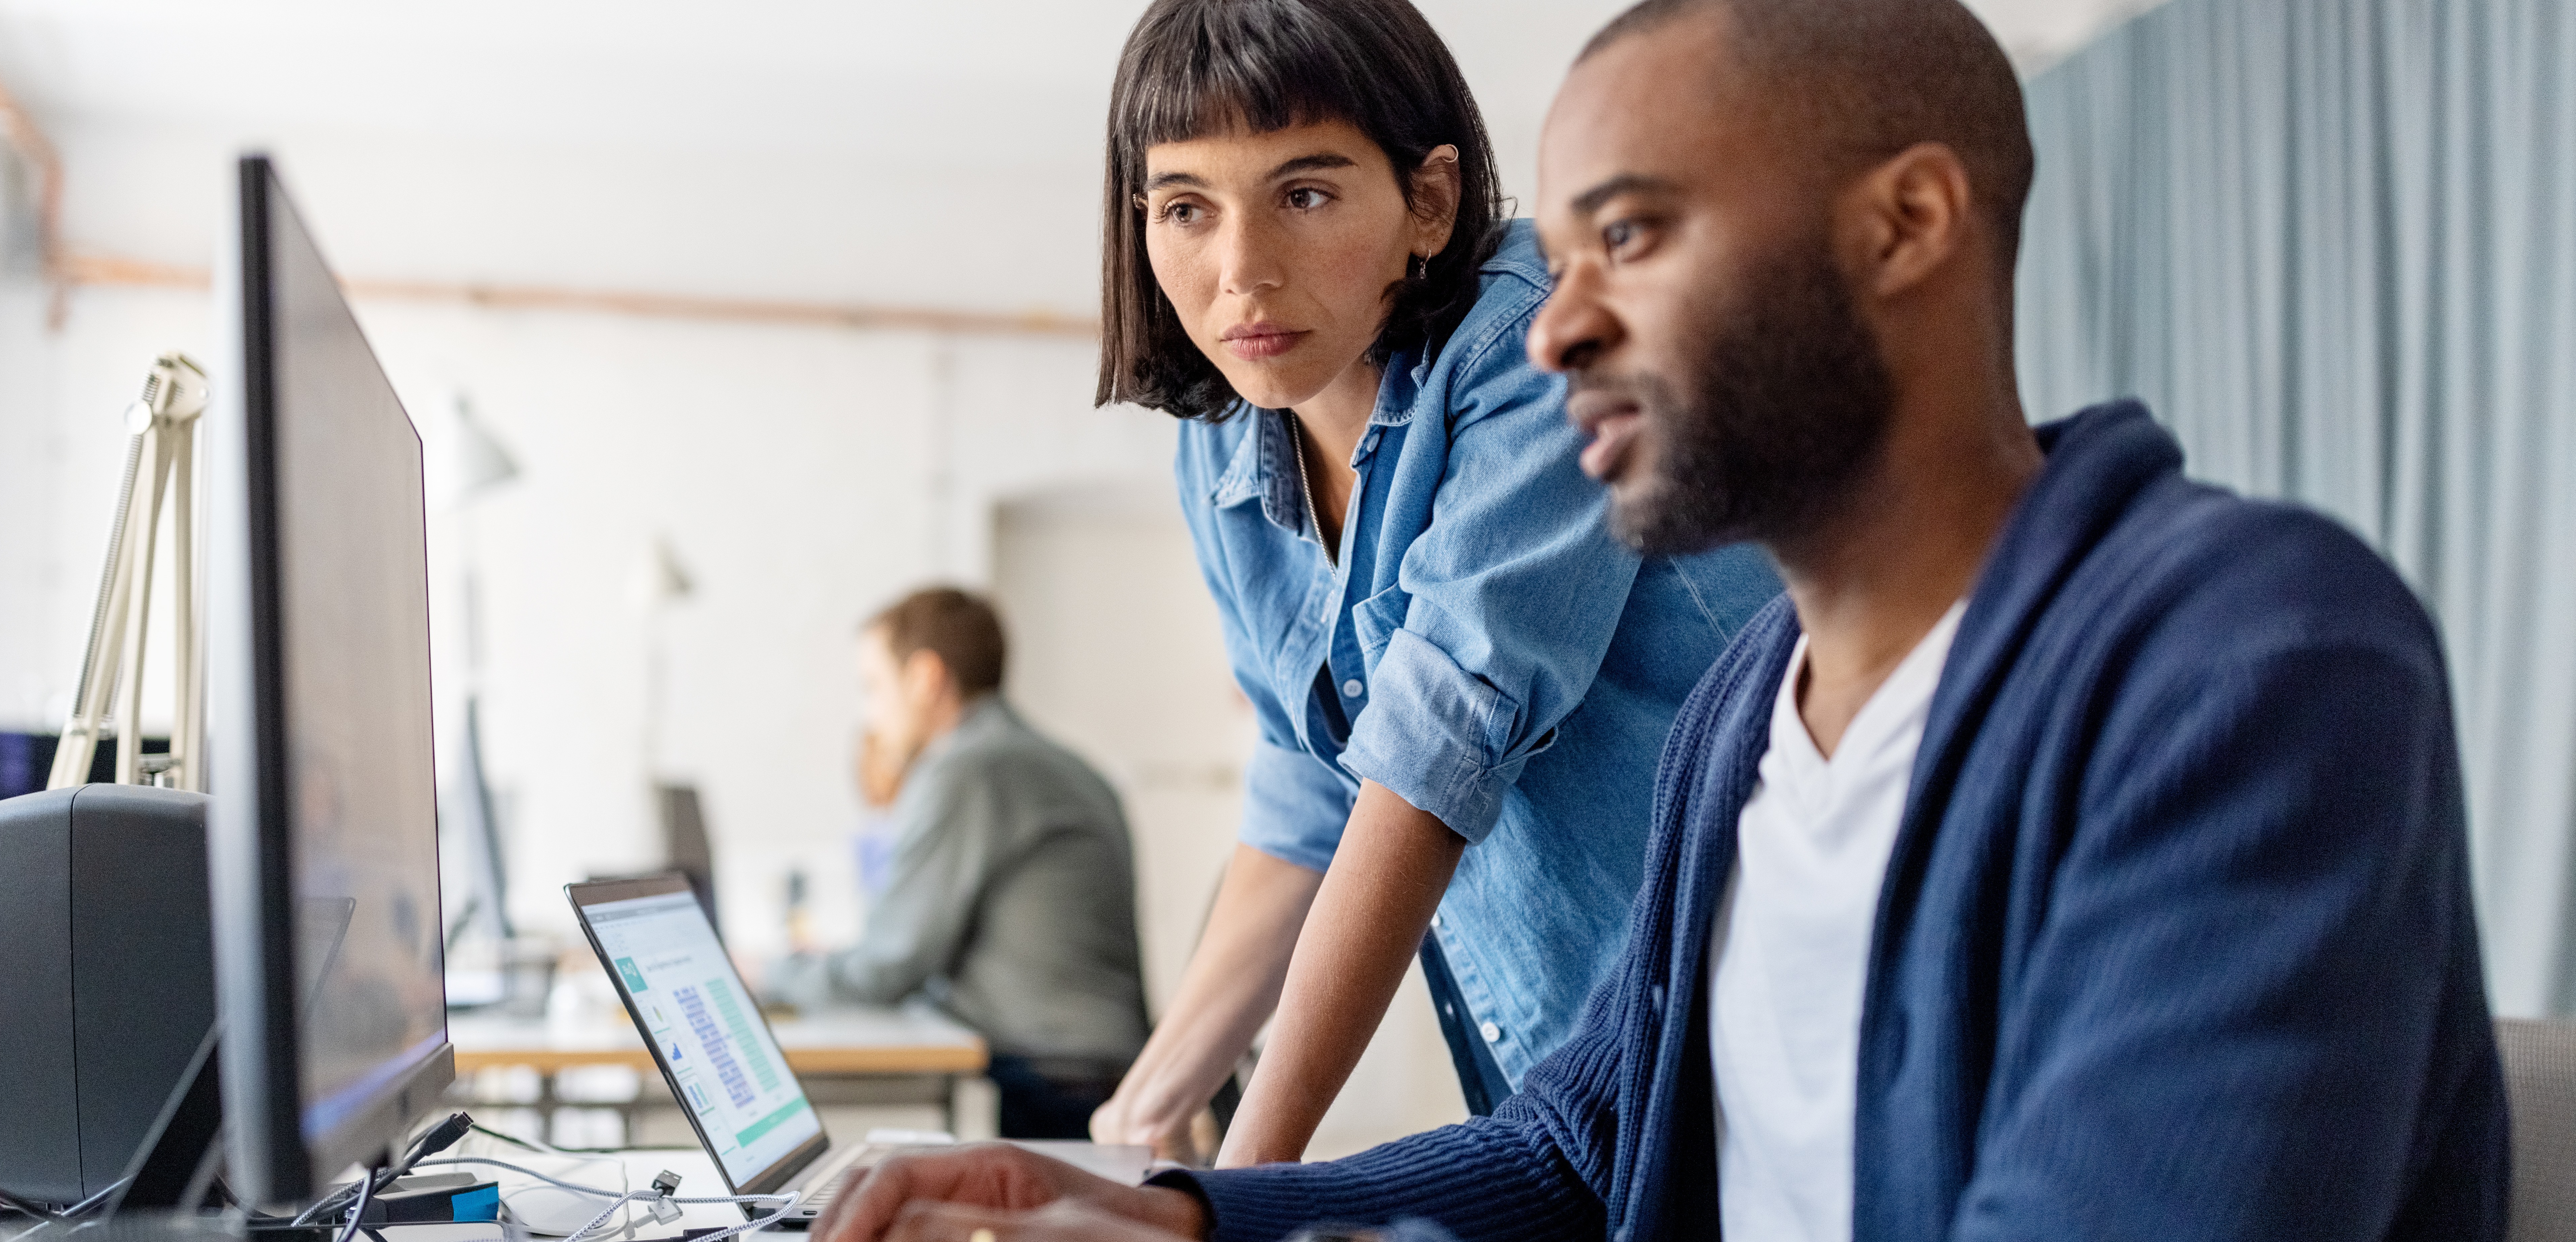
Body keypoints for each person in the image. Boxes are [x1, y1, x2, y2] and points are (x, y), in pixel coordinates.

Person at [811, 0, 2508, 1236]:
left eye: (1625, 236)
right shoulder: (1748, 712)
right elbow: (1575, 1150)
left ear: (1905, 225)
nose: (1551, 334)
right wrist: (1179, 1213)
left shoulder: (2250, 664)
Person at [1082, 0, 1781, 1167]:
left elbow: (1433, 749)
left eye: (1303, 195)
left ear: (1430, 203)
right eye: (1186, 208)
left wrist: (1240, 1187)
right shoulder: (1223, 440)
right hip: (1572, 1083)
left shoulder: (1543, 342)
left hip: (1761, 1029)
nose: (1240, 272)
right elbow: (1309, 794)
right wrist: (1143, 1118)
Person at [762, 587, 1150, 1140]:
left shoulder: (968, 769)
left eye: (872, 687)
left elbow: (888, 966)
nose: (869, 713)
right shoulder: (1053, 761)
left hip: (1052, 1085)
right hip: (1098, 1072)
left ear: (925, 678)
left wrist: (772, 972)